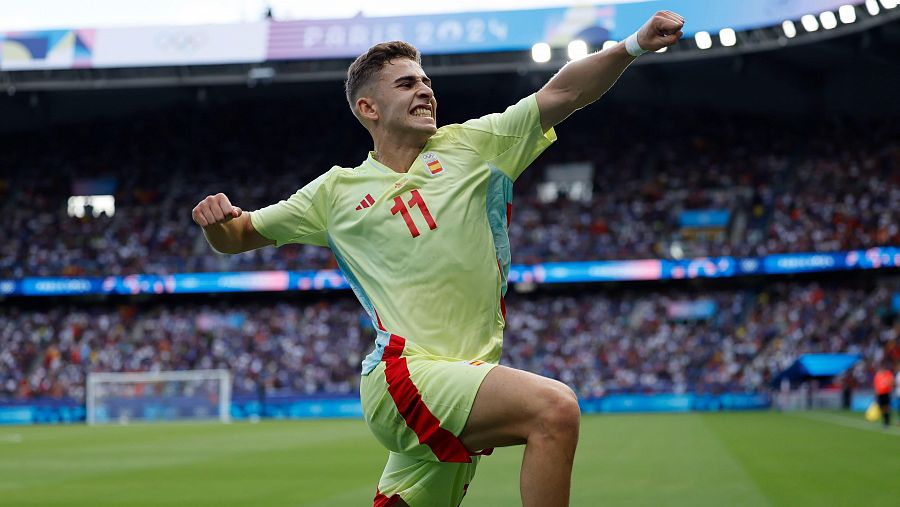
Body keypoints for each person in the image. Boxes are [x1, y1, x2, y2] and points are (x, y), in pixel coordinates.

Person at [191, 11, 685, 507]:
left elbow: (564, 94)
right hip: (403, 376)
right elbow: (238, 235)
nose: (424, 90)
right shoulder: (333, 193)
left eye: (426, 81)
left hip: (461, 378)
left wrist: (633, 46)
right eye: (406, 84)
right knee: (554, 410)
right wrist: (216, 222)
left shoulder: (474, 146)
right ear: (369, 107)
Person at [873, 361, 894, 428]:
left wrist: (888, 386)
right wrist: (876, 393)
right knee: (881, 408)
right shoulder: (878, 375)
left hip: (886, 393)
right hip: (880, 394)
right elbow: (876, 385)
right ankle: (885, 421)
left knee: (886, 407)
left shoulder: (888, 374)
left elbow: (891, 382)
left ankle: (887, 422)